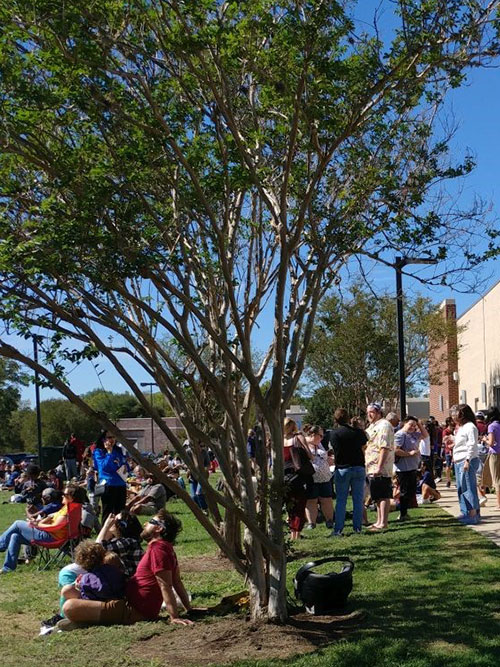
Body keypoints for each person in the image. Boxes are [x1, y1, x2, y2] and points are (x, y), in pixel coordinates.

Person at [58, 510, 197, 629]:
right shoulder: (164, 548)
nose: (145, 524)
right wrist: (189, 609)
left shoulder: (158, 549)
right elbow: (177, 581)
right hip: (127, 601)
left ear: (159, 529)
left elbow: (165, 584)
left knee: (69, 607)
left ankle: (85, 621)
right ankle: (87, 619)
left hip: (132, 610)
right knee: (68, 591)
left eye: (150, 522)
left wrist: (174, 617)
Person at [0, 483, 81, 573]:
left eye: (64, 495)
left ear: (71, 497)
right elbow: (53, 517)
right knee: (15, 536)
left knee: (17, 524)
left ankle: (1, 545)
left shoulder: (67, 511)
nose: (62, 496)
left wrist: (38, 525)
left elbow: (55, 527)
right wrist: (40, 521)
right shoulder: (73, 507)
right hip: (51, 534)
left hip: (51, 537)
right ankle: (8, 568)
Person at [329, 408, 367, 536]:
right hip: (358, 466)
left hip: (342, 468)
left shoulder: (334, 434)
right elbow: (364, 446)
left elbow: (334, 449)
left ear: (335, 419)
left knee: (341, 500)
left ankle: (338, 529)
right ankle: (357, 528)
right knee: (358, 499)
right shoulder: (358, 432)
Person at [365, 402, 395, 532]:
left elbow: (384, 447)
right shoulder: (372, 426)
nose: (369, 415)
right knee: (377, 496)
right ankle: (378, 521)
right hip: (370, 467)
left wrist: (379, 466)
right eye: (367, 412)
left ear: (378, 412)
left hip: (381, 468)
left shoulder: (384, 425)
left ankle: (383, 522)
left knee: (383, 495)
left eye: (371, 412)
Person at [283, 418, 313, 540]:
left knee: (290, 505)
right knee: (300, 504)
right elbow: (310, 455)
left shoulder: (279, 440)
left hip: (285, 475)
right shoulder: (298, 438)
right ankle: (297, 533)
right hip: (298, 475)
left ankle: (292, 533)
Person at [451, 404, 481, 525]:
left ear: (462, 414)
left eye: (455, 414)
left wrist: (467, 460)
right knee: (461, 488)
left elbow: (472, 445)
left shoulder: (470, 427)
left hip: (466, 460)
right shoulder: (462, 427)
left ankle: (473, 514)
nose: (453, 416)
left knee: (468, 487)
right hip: (459, 460)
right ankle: (465, 511)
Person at [394, 417, 426, 522]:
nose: (412, 427)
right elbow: (396, 450)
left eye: (414, 425)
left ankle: (404, 512)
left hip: (413, 467)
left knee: (411, 491)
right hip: (403, 468)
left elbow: (425, 435)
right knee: (404, 491)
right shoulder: (400, 434)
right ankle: (402, 513)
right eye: (410, 424)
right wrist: (409, 454)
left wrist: (419, 424)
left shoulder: (413, 434)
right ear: (404, 423)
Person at [303, 425, 334, 530]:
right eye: (320, 435)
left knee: (327, 499)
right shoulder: (304, 444)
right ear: (312, 435)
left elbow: (327, 458)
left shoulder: (319, 444)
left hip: (325, 477)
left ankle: (329, 520)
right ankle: (311, 523)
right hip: (311, 478)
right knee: (311, 500)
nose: (322, 438)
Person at [93, 432, 128, 520]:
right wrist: (109, 452)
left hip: (120, 484)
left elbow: (124, 464)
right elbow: (104, 467)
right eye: (109, 437)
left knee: (120, 512)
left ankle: (119, 532)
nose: (112, 439)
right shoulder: (98, 452)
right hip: (108, 485)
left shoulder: (119, 450)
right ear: (103, 439)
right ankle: (105, 532)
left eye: (113, 437)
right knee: (108, 512)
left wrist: (125, 466)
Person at [485, 406, 500, 509]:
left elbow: (490, 443)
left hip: (494, 454)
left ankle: (499, 503)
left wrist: (484, 439)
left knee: (496, 480)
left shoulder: (491, 426)